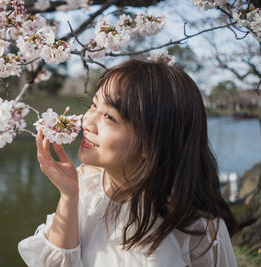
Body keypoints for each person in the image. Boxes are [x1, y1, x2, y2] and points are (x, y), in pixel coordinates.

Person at [18, 59, 238, 267]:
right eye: (93, 106)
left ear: (150, 143)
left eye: (109, 117)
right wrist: (68, 196)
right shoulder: (87, 183)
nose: (87, 121)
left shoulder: (198, 229)